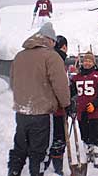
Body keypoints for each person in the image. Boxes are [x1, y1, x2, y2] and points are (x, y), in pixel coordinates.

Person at [8, 22, 70, 176]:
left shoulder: (19, 55)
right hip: (41, 113)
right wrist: (66, 104)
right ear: (49, 40)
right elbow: (60, 85)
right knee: (39, 152)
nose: (54, 45)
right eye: (54, 42)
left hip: (22, 112)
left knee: (20, 148)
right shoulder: (51, 56)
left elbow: (12, 82)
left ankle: (13, 172)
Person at [70, 51, 98, 168]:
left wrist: (95, 104)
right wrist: (71, 104)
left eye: (89, 61)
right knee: (85, 134)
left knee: (96, 133)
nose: (87, 63)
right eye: (85, 60)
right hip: (82, 111)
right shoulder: (77, 77)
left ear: (93, 63)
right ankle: (89, 152)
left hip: (95, 111)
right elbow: (72, 93)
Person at [44, 35, 68, 176]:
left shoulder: (47, 59)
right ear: (64, 47)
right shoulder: (58, 61)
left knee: (49, 138)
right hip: (57, 109)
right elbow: (60, 86)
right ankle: (56, 169)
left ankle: (46, 165)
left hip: (44, 109)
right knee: (58, 140)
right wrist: (66, 102)